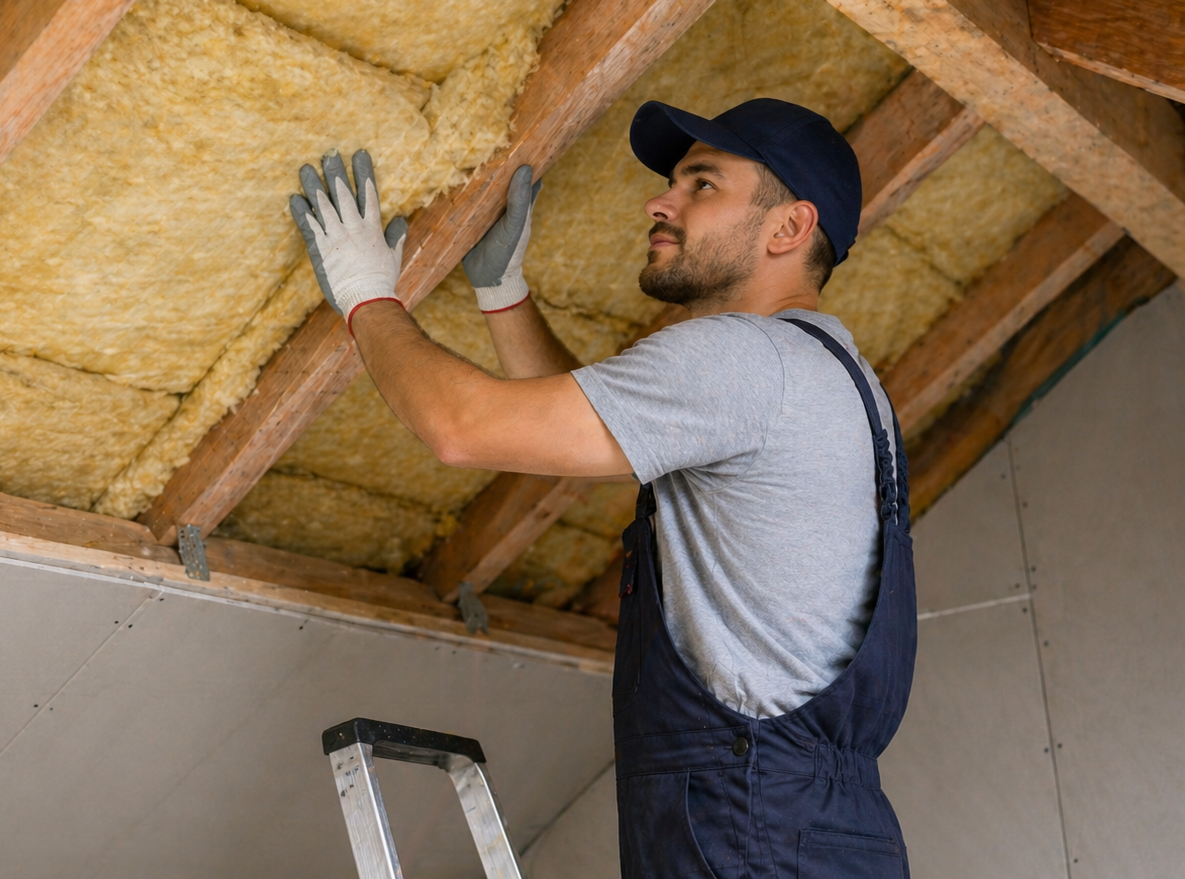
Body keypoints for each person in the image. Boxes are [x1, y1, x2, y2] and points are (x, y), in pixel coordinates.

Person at [290, 97, 915, 878]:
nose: (660, 200)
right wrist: (503, 298)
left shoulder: (743, 362)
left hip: (746, 825)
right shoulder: (832, 376)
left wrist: (366, 298)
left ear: (787, 228)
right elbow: (601, 439)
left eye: (702, 185)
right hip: (814, 827)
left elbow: (461, 428)